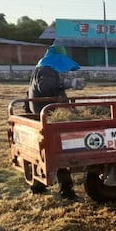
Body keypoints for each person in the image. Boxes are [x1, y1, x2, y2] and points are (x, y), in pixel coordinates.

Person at [26, 44, 82, 199]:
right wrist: (68, 84)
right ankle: (66, 190)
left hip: (45, 114)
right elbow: (45, 88)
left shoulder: (43, 68)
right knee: (60, 153)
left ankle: (37, 186)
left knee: (45, 152)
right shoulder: (46, 70)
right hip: (50, 116)